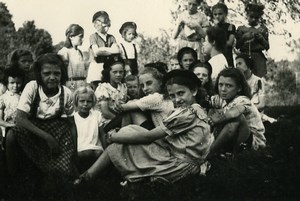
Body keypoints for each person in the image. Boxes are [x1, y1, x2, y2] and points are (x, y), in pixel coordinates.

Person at [73, 69, 213, 186]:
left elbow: (149, 136)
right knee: (131, 134)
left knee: (116, 145)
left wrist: (114, 136)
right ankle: (94, 174)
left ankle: (86, 178)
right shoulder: (197, 109)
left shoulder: (186, 114)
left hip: (179, 165)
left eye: (181, 93)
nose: (177, 99)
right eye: (172, 96)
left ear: (194, 91)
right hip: (182, 156)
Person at [5, 53, 78, 198]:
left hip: (56, 129)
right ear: (39, 74)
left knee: (60, 176)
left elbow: (71, 124)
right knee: (11, 135)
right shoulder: (32, 87)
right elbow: (20, 119)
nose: (52, 77)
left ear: (62, 73)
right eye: (47, 73)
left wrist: (74, 151)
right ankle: (10, 176)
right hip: (33, 128)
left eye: (56, 73)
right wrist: (47, 138)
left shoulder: (66, 93)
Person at [207, 68, 266, 158]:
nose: (223, 89)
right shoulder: (221, 99)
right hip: (236, 138)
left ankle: (210, 152)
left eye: (229, 86)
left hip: (253, 142)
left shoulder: (243, 100)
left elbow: (234, 113)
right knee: (211, 110)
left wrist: (217, 120)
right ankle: (212, 147)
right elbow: (206, 102)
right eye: (220, 85)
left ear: (239, 88)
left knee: (237, 118)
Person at [235, 54, 276, 123]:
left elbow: (262, 104)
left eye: (240, 63)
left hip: (254, 111)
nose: (237, 66)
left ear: (248, 64)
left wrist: (247, 109)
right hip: (241, 111)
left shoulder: (258, 81)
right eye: (236, 65)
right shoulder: (237, 82)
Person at [86, 11, 120, 90]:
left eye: (107, 26)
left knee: (108, 88)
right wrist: (110, 51)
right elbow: (97, 52)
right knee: (97, 88)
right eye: (104, 26)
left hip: (107, 67)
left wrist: (102, 49)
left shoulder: (111, 37)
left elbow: (117, 50)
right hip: (96, 67)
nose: (106, 28)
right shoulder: (93, 36)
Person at [73, 86, 103, 172]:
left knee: (98, 153)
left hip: (95, 147)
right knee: (86, 154)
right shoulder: (73, 118)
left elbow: (102, 134)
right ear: (76, 102)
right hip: (80, 148)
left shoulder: (96, 115)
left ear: (93, 102)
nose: (85, 104)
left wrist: (106, 150)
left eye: (89, 101)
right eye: (82, 101)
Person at [236, 1, 269, 78]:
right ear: (247, 15)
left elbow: (267, 46)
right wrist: (244, 37)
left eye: (256, 17)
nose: (254, 19)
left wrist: (261, 38)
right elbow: (237, 45)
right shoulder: (241, 29)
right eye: (251, 17)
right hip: (244, 56)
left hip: (258, 58)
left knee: (258, 79)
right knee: (243, 77)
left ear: (260, 17)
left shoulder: (263, 29)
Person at [94, 55, 127, 126]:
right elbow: (105, 112)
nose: (118, 75)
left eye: (121, 72)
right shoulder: (103, 88)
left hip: (120, 119)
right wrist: (122, 122)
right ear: (108, 73)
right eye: (115, 72)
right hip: (106, 121)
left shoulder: (123, 86)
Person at [58, 24, 87, 92]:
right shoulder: (64, 52)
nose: (83, 39)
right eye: (80, 36)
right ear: (71, 37)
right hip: (70, 85)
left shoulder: (80, 52)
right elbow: (61, 73)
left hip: (82, 85)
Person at [0, 67, 25, 147]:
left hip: (23, 130)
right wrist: (11, 126)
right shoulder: (3, 98)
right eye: (12, 83)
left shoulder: (24, 96)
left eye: (18, 83)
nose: (15, 86)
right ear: (6, 83)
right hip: (7, 131)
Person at [212, 2, 236, 67]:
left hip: (227, 55)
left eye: (220, 14)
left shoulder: (230, 26)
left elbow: (230, 42)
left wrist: (218, 43)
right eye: (215, 14)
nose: (217, 16)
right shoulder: (213, 28)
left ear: (225, 14)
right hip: (215, 55)